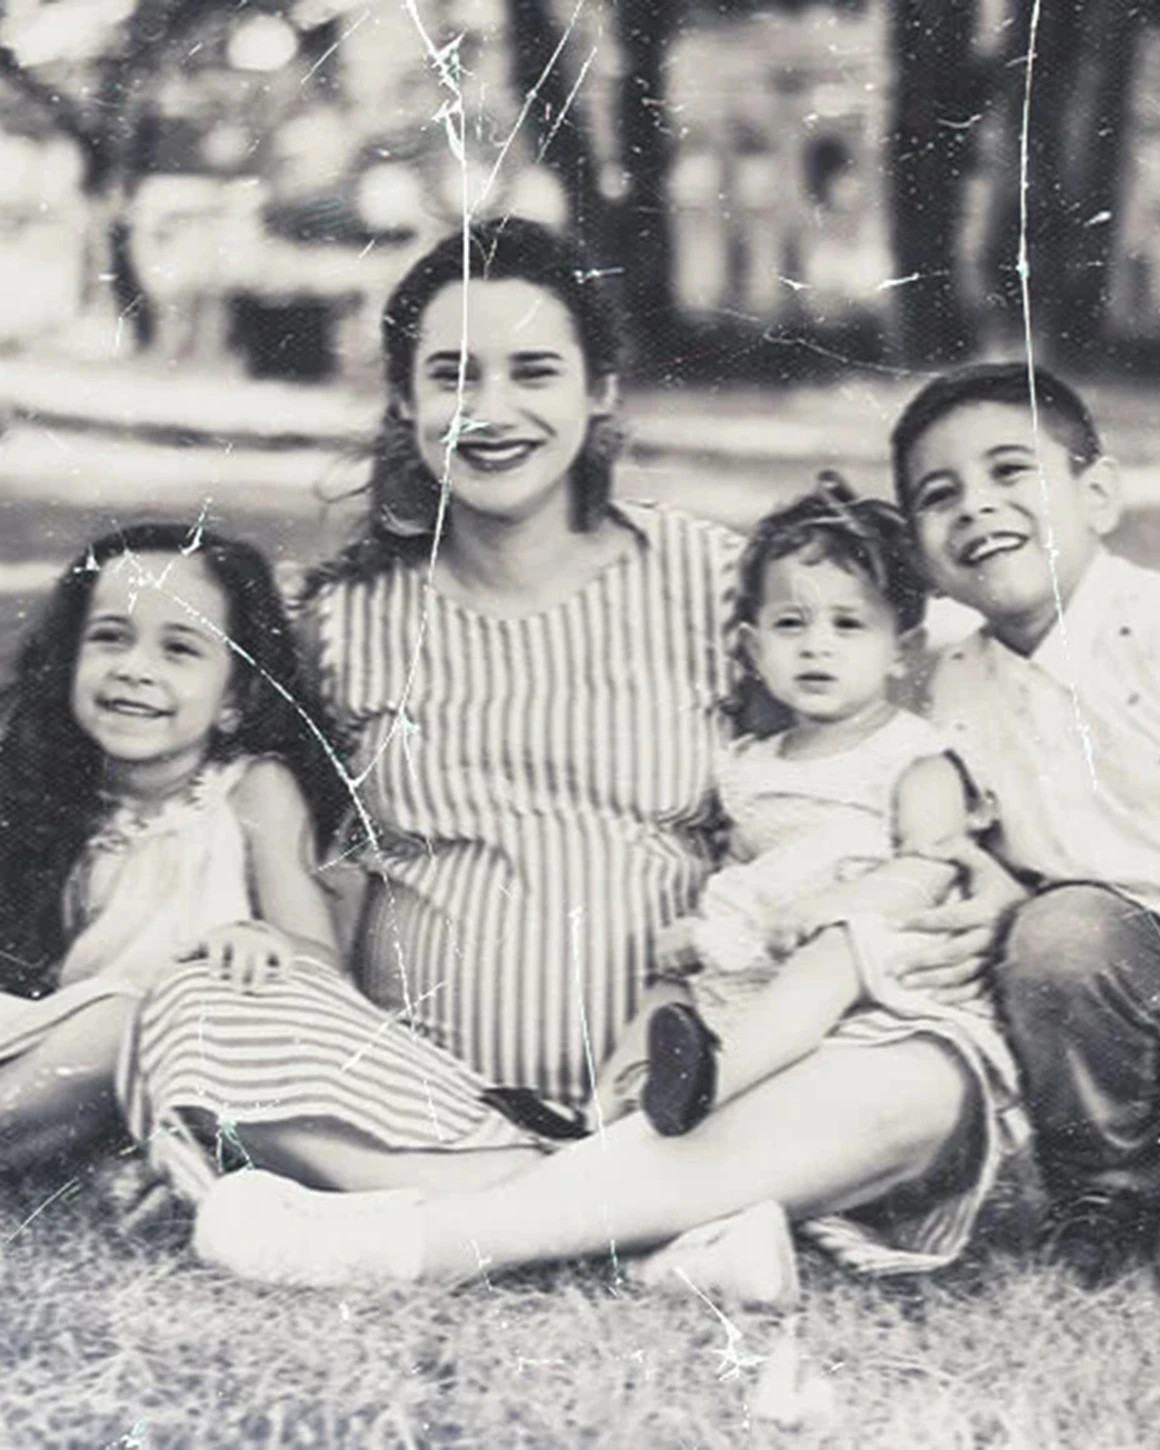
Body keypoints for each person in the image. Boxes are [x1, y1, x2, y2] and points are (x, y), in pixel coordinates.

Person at [131, 219, 994, 1299]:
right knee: (192, 1002)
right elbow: (283, 825)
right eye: (452, 375)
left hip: (706, 1077)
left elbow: (908, 698)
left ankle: (446, 1238)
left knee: (926, 1085)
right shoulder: (343, 616)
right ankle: (642, 1223)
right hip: (435, 1097)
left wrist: (982, 867)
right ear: (402, 402)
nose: (491, 412)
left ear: (600, 393)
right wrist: (261, 929)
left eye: (533, 371)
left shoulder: (713, 580)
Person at [611, 481, 1017, 1151]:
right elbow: (743, 862)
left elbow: (930, 864)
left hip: (864, 959)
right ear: (752, 647)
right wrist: (703, 928)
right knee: (670, 987)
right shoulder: (750, 763)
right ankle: (603, 1112)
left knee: (835, 952)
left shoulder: (913, 755)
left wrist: (844, 903)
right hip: (761, 956)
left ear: (901, 651)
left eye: (848, 624)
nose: (816, 646)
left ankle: (715, 1081)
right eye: (790, 624)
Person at [894, 361, 1160, 1288]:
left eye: (1011, 472)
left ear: (1097, 495)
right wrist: (997, 883)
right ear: (921, 554)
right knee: (1060, 939)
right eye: (940, 495)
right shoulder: (945, 678)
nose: (976, 506)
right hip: (1109, 970)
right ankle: (1107, 1198)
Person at [0, 523, 342, 1172]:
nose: (134, 668)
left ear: (236, 698)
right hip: (53, 1051)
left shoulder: (252, 790)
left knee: (128, 1024)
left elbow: (323, 964)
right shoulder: (48, 787)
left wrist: (263, 941)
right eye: (109, 638)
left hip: (158, 1053)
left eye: (179, 648)